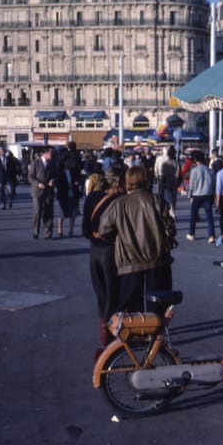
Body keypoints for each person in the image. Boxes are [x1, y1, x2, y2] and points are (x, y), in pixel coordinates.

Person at [98, 166, 175, 314]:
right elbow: (170, 228)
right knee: (157, 305)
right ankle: (156, 334)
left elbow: (103, 230)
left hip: (129, 262)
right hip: (157, 260)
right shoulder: (156, 201)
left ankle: (137, 333)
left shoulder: (119, 204)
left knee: (131, 307)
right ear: (146, 179)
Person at [82, 167, 125, 346]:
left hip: (94, 251)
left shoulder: (91, 197)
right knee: (113, 292)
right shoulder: (119, 201)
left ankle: (102, 325)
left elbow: (85, 230)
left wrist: (95, 236)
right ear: (118, 182)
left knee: (100, 292)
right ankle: (110, 329)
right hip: (111, 251)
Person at [185, 149, 216, 244]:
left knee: (193, 215)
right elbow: (213, 183)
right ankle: (211, 235)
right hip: (208, 194)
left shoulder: (194, 170)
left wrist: (189, 195)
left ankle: (192, 233)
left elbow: (192, 184)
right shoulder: (210, 170)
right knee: (209, 216)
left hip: (197, 194)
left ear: (195, 160)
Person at [28, 147, 56, 239]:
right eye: (51, 152)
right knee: (37, 212)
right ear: (46, 153)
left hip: (48, 191)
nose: (53, 154)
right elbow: (30, 176)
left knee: (49, 212)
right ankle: (35, 231)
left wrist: (52, 180)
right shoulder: (35, 162)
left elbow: (54, 175)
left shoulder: (52, 163)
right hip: (37, 191)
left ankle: (48, 233)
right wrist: (38, 184)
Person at [55, 147, 82, 237]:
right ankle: (60, 228)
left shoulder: (73, 171)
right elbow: (58, 183)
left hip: (73, 192)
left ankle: (71, 230)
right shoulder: (60, 172)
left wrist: (76, 183)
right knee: (62, 212)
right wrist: (67, 186)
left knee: (73, 212)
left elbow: (78, 179)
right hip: (63, 193)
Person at [158, 146, 180, 218]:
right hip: (174, 184)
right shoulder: (176, 163)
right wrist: (177, 184)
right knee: (174, 200)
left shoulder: (164, 164)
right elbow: (177, 175)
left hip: (166, 184)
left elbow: (162, 175)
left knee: (169, 200)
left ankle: (172, 213)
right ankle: (173, 213)